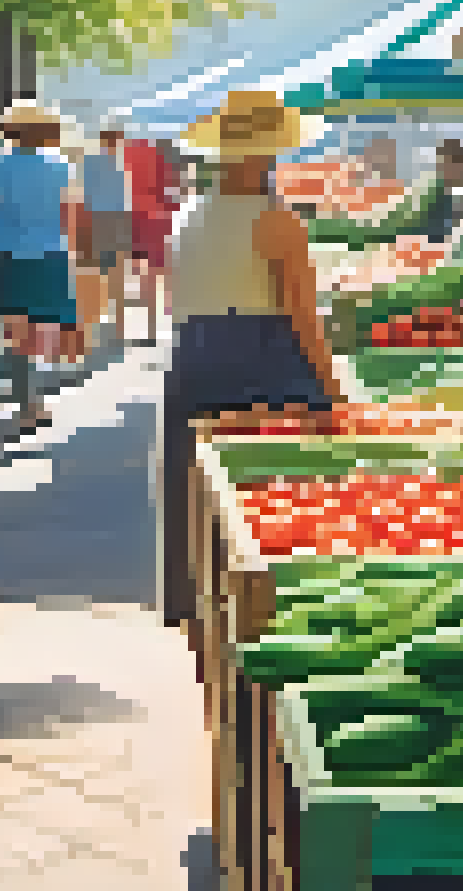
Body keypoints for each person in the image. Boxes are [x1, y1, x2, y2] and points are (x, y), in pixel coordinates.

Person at [161, 86, 342, 653]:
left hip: (192, 359)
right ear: (266, 155)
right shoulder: (277, 222)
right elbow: (304, 319)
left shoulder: (187, 214)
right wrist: (334, 390)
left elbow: (180, 298)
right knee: (271, 494)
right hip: (260, 361)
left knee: (196, 492)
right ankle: (267, 615)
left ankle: (196, 609)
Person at [0, 100, 80, 432]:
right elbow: (69, 212)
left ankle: (24, 399)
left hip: (7, 250)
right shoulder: (60, 165)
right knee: (44, 329)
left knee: (15, 329)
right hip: (50, 251)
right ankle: (32, 400)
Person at [75, 125, 135, 352]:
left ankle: (90, 330)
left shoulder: (89, 162)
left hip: (94, 221)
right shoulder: (121, 166)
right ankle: (118, 330)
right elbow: (124, 201)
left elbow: (81, 195)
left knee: (92, 276)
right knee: (116, 277)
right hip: (115, 222)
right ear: (117, 140)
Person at [122, 131, 183, 342]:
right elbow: (173, 193)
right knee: (160, 271)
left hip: (131, 218)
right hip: (156, 219)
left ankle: (147, 327)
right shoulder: (162, 156)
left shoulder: (126, 153)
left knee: (140, 272)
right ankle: (168, 316)